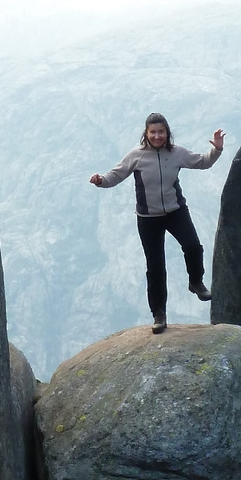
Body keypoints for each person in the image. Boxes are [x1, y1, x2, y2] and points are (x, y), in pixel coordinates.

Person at [90, 112, 225, 334]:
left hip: (175, 211)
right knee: (155, 267)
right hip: (148, 218)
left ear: (167, 132)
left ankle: (196, 282)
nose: (157, 136)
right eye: (153, 132)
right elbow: (115, 175)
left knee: (193, 246)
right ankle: (159, 315)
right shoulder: (136, 156)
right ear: (146, 133)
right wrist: (100, 181)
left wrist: (217, 149)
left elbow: (203, 162)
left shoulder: (177, 153)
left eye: (161, 131)